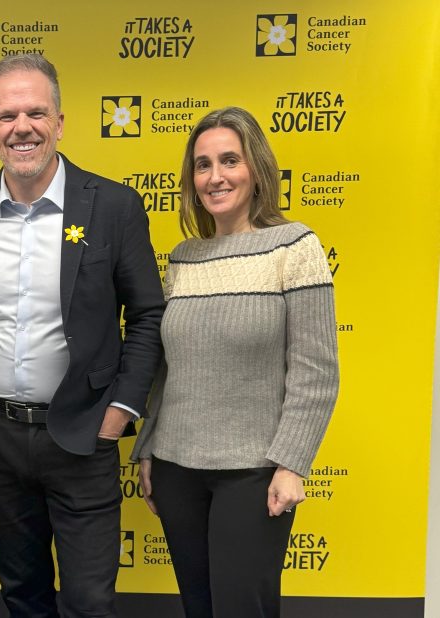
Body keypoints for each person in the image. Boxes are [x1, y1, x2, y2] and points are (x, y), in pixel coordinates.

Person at [0, 54, 164, 617]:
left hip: (84, 435)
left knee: (90, 602)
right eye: (7, 115)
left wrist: (121, 408)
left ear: (60, 122)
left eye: (36, 112)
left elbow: (146, 314)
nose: (22, 127)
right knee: (23, 596)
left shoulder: (112, 206)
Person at [132, 106, 339, 618]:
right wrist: (147, 448)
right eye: (202, 165)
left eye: (229, 160)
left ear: (256, 170)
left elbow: (316, 371)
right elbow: (166, 368)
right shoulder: (184, 259)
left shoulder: (296, 247)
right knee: (198, 608)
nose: (215, 176)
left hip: (253, 473)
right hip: (178, 470)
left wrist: (293, 463)